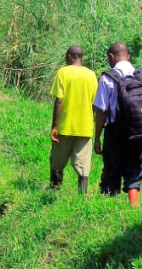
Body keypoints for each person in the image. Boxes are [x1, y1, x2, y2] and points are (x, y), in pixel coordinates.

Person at [93, 42, 142, 206]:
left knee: (112, 168)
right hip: (140, 130)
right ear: (128, 56)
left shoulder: (107, 78)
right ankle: (133, 205)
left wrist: (97, 137)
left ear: (110, 57)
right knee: (135, 167)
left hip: (115, 131)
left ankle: (108, 206)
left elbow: (101, 111)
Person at [49, 45, 98, 194]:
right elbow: (95, 103)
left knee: (57, 160)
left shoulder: (63, 72)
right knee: (83, 163)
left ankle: (54, 188)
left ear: (70, 56)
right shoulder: (91, 75)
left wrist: (54, 125)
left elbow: (59, 100)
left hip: (65, 126)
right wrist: (90, 120)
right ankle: (82, 194)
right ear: (81, 57)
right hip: (85, 127)